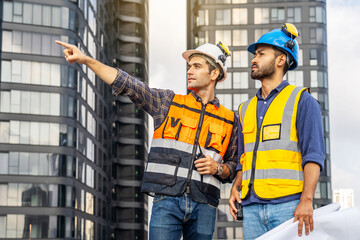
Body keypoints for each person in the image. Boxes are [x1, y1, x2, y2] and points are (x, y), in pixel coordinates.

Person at [56, 40, 238, 240]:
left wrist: (218, 168)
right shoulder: (168, 103)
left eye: (197, 66)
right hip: (167, 201)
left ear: (214, 74)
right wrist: (87, 60)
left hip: (204, 206)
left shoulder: (230, 119)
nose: (189, 71)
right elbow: (128, 84)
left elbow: (233, 166)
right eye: (189, 66)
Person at [228, 23, 325, 240]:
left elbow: (314, 155)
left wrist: (306, 200)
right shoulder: (245, 108)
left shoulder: (302, 100)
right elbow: (245, 158)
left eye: (261, 54)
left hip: (288, 206)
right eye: (254, 55)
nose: (254, 59)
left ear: (281, 60)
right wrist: (236, 187)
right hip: (251, 209)